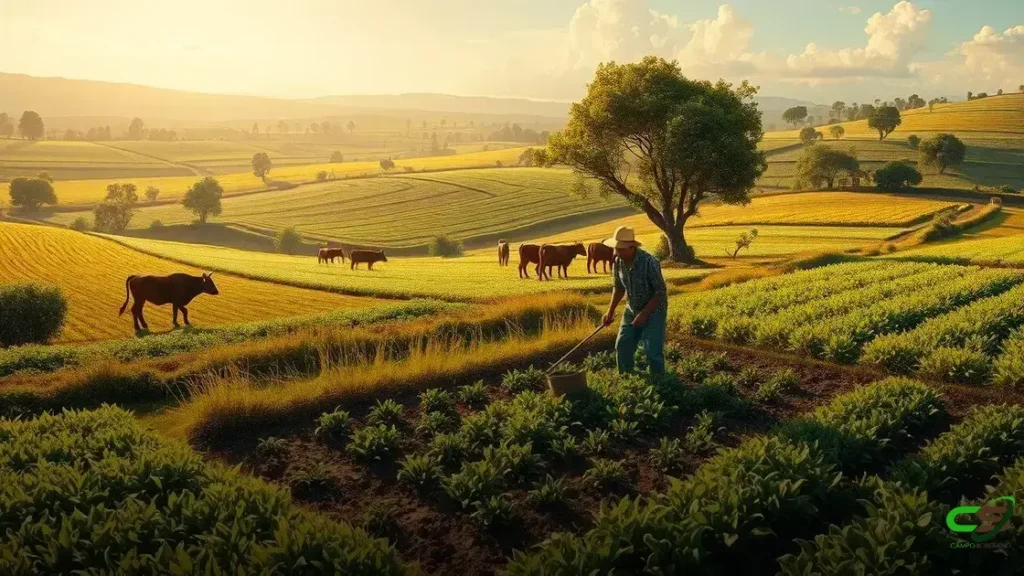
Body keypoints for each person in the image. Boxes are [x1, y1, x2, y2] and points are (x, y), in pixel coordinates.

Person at [601, 226, 668, 374]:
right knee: (622, 346)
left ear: (632, 247)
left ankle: (660, 384)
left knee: (652, 351)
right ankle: (627, 380)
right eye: (616, 249)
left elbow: (660, 291)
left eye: (621, 249)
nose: (617, 252)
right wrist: (610, 311)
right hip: (631, 309)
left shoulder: (649, 262)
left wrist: (644, 314)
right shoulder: (618, 261)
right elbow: (618, 287)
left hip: (654, 311)